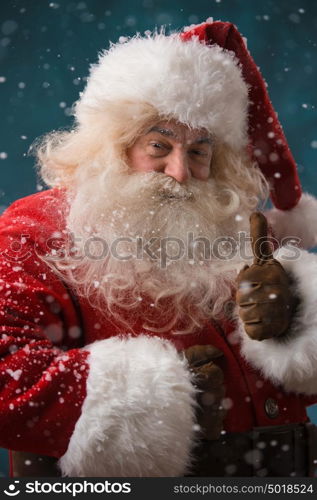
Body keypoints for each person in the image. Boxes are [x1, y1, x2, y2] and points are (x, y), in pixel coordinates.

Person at [1, 19, 317, 478]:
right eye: (158, 145)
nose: (180, 171)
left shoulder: (240, 229)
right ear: (116, 144)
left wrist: (297, 320)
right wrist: (160, 399)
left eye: (198, 151)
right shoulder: (36, 228)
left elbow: (297, 392)